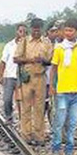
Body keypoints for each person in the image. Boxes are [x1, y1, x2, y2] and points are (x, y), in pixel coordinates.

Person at [50, 18, 77, 155]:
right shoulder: (59, 49)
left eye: (71, 30)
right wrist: (52, 86)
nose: (68, 33)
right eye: (66, 30)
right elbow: (53, 69)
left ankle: (69, 150)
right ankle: (55, 148)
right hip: (62, 91)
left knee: (73, 123)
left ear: (76, 32)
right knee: (60, 121)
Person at [14, 17, 53, 145]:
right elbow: (16, 59)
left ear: (42, 29)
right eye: (34, 30)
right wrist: (30, 60)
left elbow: (50, 61)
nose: (36, 32)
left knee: (39, 108)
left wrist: (42, 59)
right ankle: (26, 135)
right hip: (27, 78)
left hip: (40, 77)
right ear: (31, 29)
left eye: (38, 30)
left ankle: (39, 136)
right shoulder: (24, 42)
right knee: (25, 107)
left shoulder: (47, 43)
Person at [0, 23, 26, 122]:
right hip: (9, 75)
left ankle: (22, 119)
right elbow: (3, 61)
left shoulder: (28, 45)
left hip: (22, 76)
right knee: (7, 99)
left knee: (21, 100)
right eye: (20, 31)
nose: (22, 33)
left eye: (24, 31)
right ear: (16, 31)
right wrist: (0, 74)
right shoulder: (9, 45)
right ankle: (9, 116)